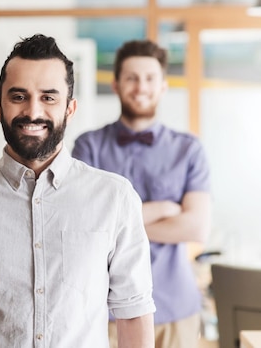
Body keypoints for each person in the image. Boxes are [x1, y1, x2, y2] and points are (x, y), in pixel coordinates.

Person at [0, 34, 156, 347]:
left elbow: (133, 310)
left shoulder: (115, 197)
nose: (32, 111)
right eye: (18, 97)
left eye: (48, 97)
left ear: (70, 108)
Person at [72, 39, 212, 348]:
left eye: (150, 78)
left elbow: (196, 227)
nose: (141, 86)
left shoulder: (188, 149)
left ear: (163, 86)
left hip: (176, 309)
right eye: (132, 78)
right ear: (116, 85)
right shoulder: (88, 146)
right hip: (105, 311)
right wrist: (163, 208)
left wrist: (117, 228)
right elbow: (84, 227)